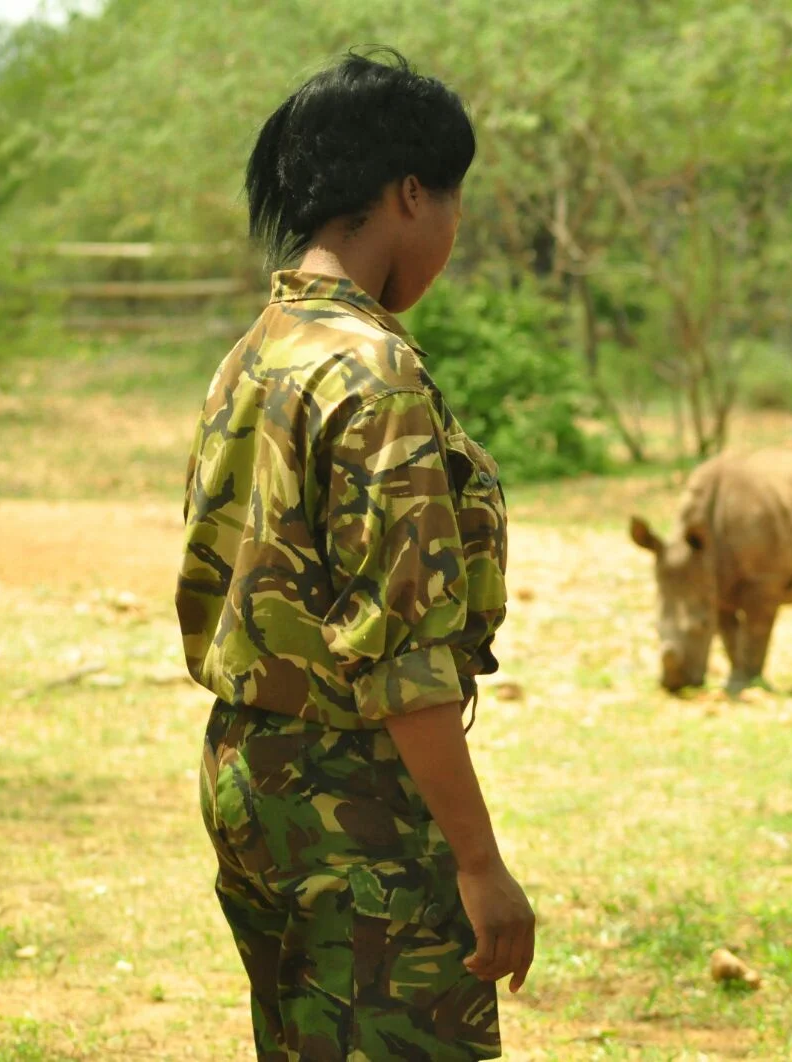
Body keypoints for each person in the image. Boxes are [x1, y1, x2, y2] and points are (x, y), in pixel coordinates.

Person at [176, 49, 534, 1061]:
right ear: (411, 194)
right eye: (454, 204)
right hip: (354, 803)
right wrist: (480, 864)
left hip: (246, 773)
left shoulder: (258, 348)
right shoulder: (374, 374)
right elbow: (400, 653)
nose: (452, 234)